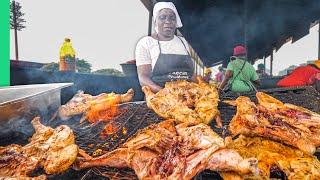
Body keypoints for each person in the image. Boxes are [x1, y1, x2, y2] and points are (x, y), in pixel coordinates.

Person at [135, 2, 196, 93]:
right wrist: (163, 92)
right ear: (155, 21)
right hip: (159, 99)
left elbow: (190, 75)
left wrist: (198, 87)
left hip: (186, 96)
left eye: (172, 18)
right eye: (162, 17)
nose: (168, 21)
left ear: (176, 22)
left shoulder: (183, 42)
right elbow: (143, 77)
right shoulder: (146, 43)